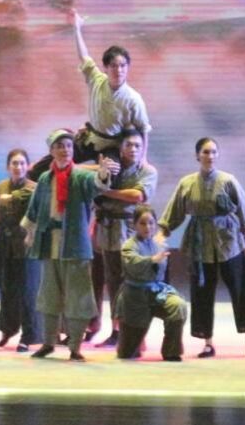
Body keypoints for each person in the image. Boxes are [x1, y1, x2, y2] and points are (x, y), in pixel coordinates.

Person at [158, 136, 245, 358]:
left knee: (239, 288)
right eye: (205, 152)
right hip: (199, 241)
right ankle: (207, 341)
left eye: (213, 152)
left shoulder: (228, 180)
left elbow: (243, 208)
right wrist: (161, 233)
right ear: (197, 155)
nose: (210, 156)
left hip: (228, 240)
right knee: (202, 291)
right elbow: (174, 211)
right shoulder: (187, 183)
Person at [20, 128, 108, 361]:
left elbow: (97, 185)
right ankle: (48, 342)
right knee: (49, 295)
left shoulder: (80, 176)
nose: (65, 150)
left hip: (75, 245)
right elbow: (34, 209)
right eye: (60, 146)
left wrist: (103, 175)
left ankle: (75, 346)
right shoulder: (45, 179)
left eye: (68, 146)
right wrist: (29, 233)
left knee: (78, 296)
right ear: (52, 150)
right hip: (50, 243)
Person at [28, 11, 149, 174]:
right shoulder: (97, 80)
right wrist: (76, 28)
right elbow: (84, 56)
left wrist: (143, 157)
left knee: (111, 173)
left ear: (128, 67)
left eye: (122, 66)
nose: (118, 70)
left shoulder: (134, 99)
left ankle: (83, 176)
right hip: (89, 138)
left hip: (112, 146)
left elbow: (143, 129)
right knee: (45, 165)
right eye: (114, 66)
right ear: (106, 67)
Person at [91, 131, 158, 348]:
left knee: (134, 283)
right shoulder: (112, 168)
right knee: (113, 283)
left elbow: (137, 196)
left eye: (137, 145)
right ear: (121, 148)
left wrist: (106, 191)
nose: (133, 149)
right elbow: (90, 180)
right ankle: (116, 331)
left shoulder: (147, 171)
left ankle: (138, 333)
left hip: (131, 231)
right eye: (129, 145)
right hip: (108, 229)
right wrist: (101, 177)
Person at [115, 204, 186, 361]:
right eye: (142, 223)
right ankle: (128, 344)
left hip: (157, 293)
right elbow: (133, 263)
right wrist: (152, 260)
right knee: (127, 354)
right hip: (135, 298)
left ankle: (171, 352)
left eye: (151, 223)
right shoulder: (129, 246)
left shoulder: (158, 244)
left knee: (178, 306)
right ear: (134, 225)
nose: (147, 227)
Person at [0, 148, 42, 352]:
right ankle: (7, 329)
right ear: (8, 166)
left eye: (22, 163)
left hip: (26, 245)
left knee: (28, 291)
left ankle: (29, 335)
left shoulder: (34, 188)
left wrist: (12, 197)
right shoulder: (1, 186)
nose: (18, 167)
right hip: (5, 244)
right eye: (14, 163)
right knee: (6, 288)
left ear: (27, 166)